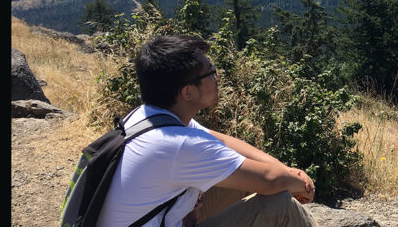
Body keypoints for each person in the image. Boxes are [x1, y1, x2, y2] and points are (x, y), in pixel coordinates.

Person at [97, 34, 318, 227]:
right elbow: (270, 181)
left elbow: (224, 142)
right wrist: (301, 184)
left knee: (244, 179)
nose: (217, 78)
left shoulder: (148, 117)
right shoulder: (181, 145)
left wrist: (287, 171)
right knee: (278, 205)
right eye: (210, 73)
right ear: (187, 92)